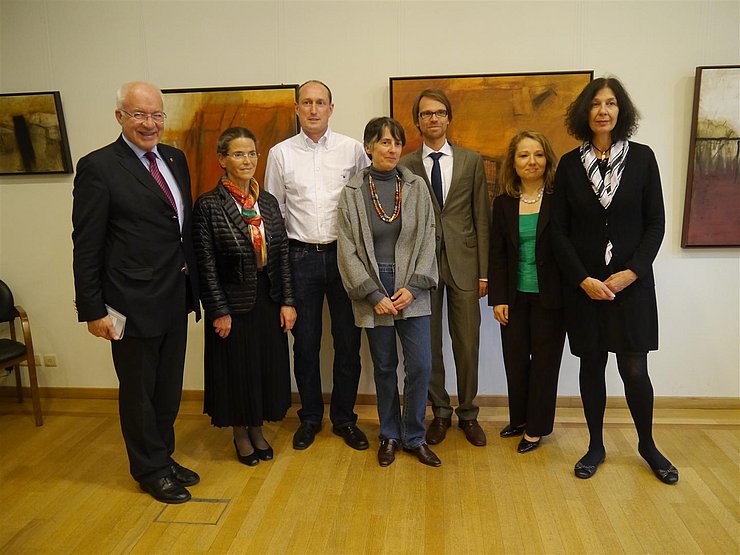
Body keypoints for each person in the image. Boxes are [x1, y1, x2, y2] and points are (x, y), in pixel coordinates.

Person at [72, 81, 201, 504]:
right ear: (120, 117)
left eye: (156, 115)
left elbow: (178, 228)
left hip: (175, 296)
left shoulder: (174, 158)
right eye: (139, 114)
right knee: (139, 393)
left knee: (168, 389)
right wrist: (93, 308)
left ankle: (163, 457)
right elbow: (87, 243)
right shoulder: (99, 167)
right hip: (130, 303)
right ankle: (149, 470)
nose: (150, 123)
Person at [551, 77, 678, 484]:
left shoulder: (643, 158)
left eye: (610, 103)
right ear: (584, 113)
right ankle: (595, 445)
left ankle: (647, 444)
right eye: (595, 104)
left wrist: (633, 271)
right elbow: (558, 231)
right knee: (591, 367)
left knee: (635, 371)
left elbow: (656, 223)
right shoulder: (570, 165)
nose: (603, 110)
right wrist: (582, 279)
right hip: (586, 289)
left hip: (632, 287)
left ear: (621, 111)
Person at [265, 80, 370, 451]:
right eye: (306, 103)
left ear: (331, 107)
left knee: (347, 343)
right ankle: (309, 417)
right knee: (305, 345)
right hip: (300, 258)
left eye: (320, 102)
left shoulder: (353, 151)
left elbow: (366, 204)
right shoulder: (280, 155)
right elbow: (274, 215)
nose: (313, 109)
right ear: (297, 108)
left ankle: (344, 418)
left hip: (344, 258)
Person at [337, 117, 439, 467]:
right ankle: (390, 435)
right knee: (383, 365)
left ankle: (414, 435)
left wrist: (413, 286)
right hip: (374, 290)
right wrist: (372, 294)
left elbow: (429, 237)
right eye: (384, 142)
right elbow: (347, 248)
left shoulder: (415, 186)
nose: (392, 148)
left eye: (397, 142)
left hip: (413, 287)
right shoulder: (351, 193)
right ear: (368, 147)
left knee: (421, 365)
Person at [192, 127, 296, 466]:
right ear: (222, 160)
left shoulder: (266, 202)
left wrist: (288, 301)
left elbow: (281, 255)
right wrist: (218, 310)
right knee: (236, 370)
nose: (247, 160)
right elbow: (205, 264)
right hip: (232, 303)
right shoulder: (208, 205)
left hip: (267, 297)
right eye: (238, 154)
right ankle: (240, 432)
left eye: (251, 153)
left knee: (263, 368)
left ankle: (257, 426)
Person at [400, 88, 490, 447]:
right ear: (418, 121)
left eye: (439, 112)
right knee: (429, 344)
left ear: (449, 118)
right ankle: (439, 412)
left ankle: (468, 412)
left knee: (467, 343)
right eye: (426, 114)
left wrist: (485, 272)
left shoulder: (470, 161)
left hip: (466, 265)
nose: (433, 118)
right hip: (423, 267)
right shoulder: (406, 165)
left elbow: (481, 218)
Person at [489, 130, 566, 454]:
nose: (531, 161)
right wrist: (498, 298)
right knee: (516, 362)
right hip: (514, 297)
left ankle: (536, 429)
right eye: (523, 155)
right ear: (514, 162)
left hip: (552, 297)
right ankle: (519, 419)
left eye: (537, 154)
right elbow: (497, 254)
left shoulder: (560, 198)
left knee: (545, 365)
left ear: (547, 158)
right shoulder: (503, 203)